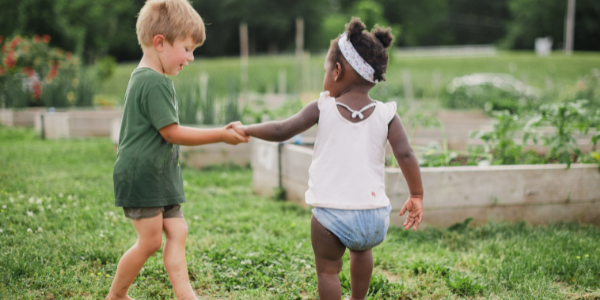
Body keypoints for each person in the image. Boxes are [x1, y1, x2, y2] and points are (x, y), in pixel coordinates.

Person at [232, 18, 424, 300]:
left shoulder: (323, 107)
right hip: (372, 214)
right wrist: (417, 194)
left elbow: (283, 129)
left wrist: (246, 129)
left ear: (336, 70)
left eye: (325, 70)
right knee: (362, 251)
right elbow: (405, 154)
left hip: (330, 215)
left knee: (328, 271)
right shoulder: (387, 113)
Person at [106, 1, 248, 299]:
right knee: (149, 242)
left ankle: (186, 294)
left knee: (178, 231)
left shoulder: (147, 78)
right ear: (160, 43)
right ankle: (116, 296)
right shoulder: (153, 81)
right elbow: (171, 133)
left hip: (159, 174)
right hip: (142, 175)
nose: (191, 57)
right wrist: (220, 135)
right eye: (187, 49)